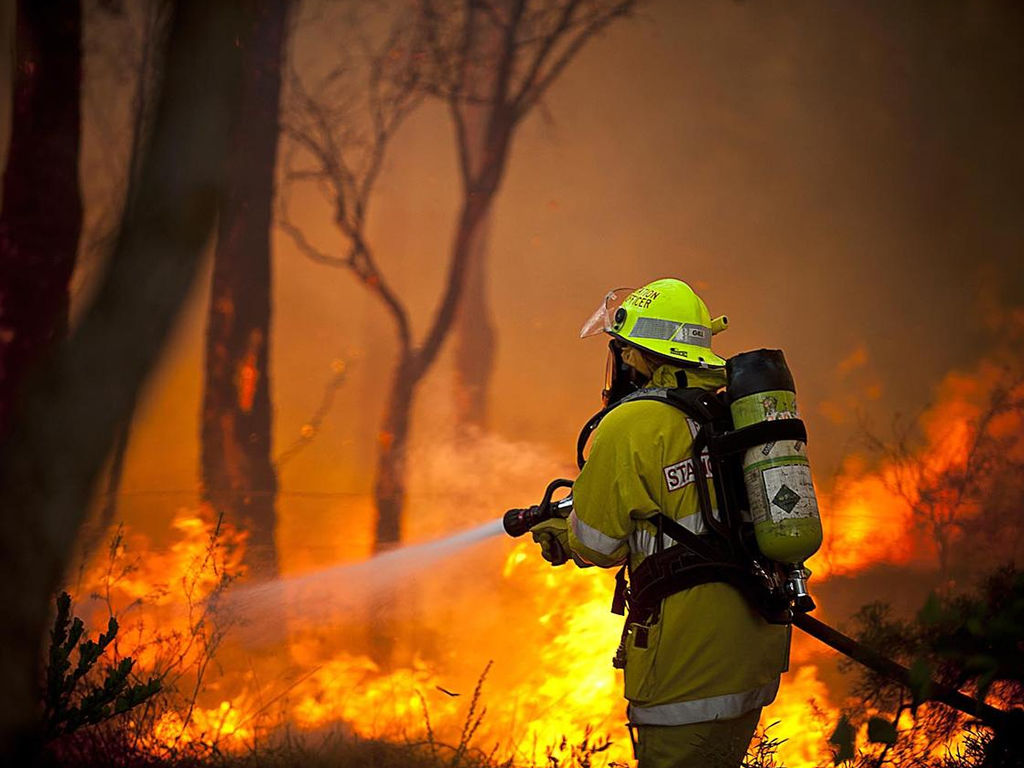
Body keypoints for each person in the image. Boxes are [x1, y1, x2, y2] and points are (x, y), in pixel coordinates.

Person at [530, 278, 790, 768]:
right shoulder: (732, 409)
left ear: (640, 354)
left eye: (624, 349)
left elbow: (597, 545)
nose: (622, 361)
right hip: (752, 654)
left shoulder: (630, 424)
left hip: (683, 661)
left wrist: (559, 533)